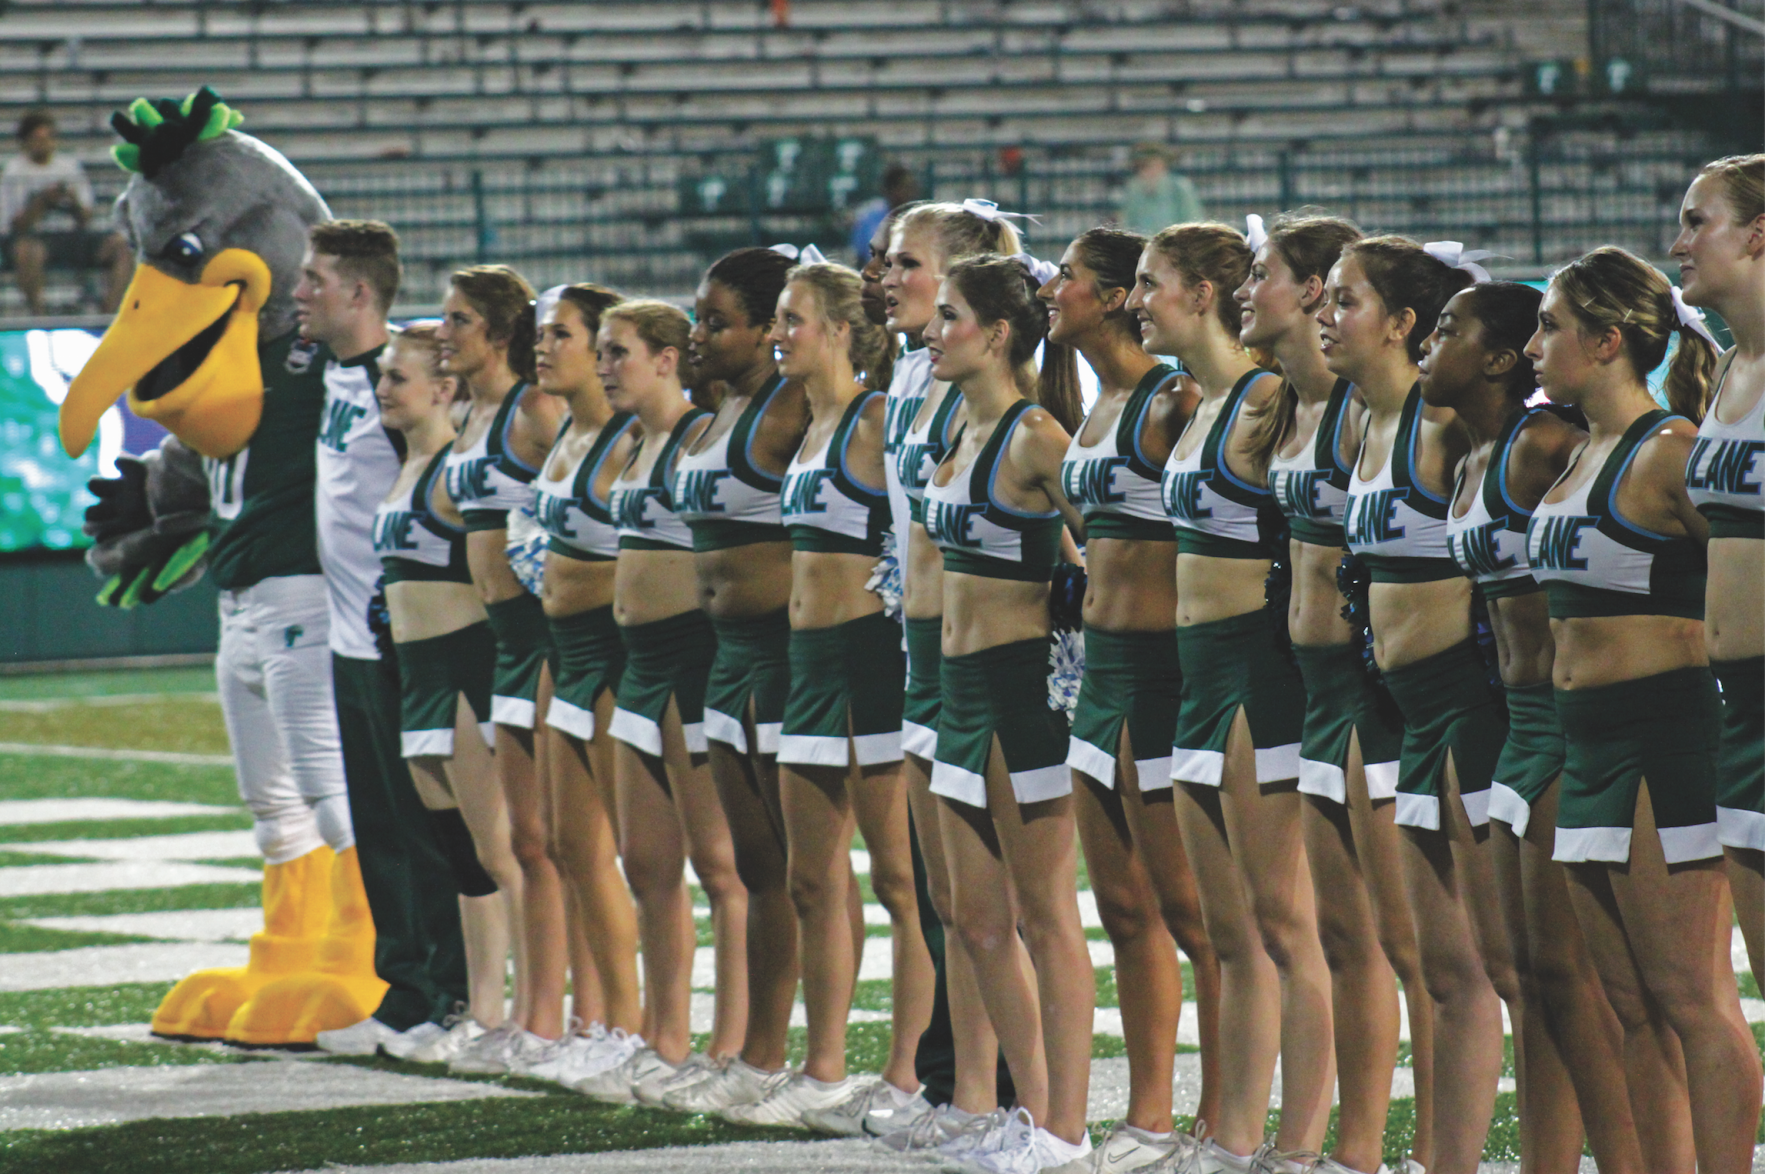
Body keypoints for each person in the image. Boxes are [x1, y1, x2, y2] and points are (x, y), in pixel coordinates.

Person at [1524, 246, 1762, 1173]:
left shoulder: (1669, 451)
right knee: (1626, 1003)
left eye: (1551, 326)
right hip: (1584, 748)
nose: (1536, 343)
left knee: (1689, 998)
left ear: (1607, 339)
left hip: (1666, 739)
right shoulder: (1577, 448)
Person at [1425, 282, 1666, 1172]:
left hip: (1572, 720)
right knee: (1530, 981)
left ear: (1494, 357)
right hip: (1518, 724)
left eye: (1447, 330)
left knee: (1594, 985)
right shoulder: (1469, 455)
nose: (1428, 345)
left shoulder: (1542, 444)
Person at [1240, 212, 1437, 1174]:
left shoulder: (1377, 410)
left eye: (1264, 275)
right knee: (1345, 936)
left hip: (1376, 689)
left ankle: (1422, 1150)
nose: (1249, 291)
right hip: (1313, 688)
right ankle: (1346, 1149)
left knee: (1417, 951)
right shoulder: (1293, 403)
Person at [1136, 223, 1334, 1172]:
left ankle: (1297, 1147)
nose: (1139, 300)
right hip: (1198, 677)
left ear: (1204, 294)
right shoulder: (1205, 401)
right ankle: (1234, 1138)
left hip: (1259, 672)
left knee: (1286, 925)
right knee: (1230, 933)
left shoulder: (1265, 397)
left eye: (1151, 283)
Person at [722, 261, 932, 1127]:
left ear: (843, 331)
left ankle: (910, 1072)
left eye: (792, 319)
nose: (778, 333)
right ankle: (823, 1068)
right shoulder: (811, 423)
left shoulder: (879, 420)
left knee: (897, 878)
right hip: (804, 666)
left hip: (865, 662)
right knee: (811, 881)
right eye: (775, 319)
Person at [1323, 237, 1516, 1174]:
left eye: (1345, 299)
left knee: (1491, 971)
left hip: (1463, 709)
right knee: (1437, 968)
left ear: (1402, 324)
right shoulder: (1364, 425)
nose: (1328, 315)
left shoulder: (1442, 430)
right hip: (1396, 707)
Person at [1041, 226, 1220, 1173]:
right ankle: (1150, 1111)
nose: (1051, 289)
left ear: (1112, 297)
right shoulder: (1095, 400)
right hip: (1098, 676)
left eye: (1067, 278)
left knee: (1195, 916)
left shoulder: (1170, 396)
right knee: (1122, 909)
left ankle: (1222, 1115)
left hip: (1162, 678)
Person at [286, 222, 476, 1061]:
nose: (299, 292)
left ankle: (453, 993)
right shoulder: (332, 375)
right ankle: (404, 993)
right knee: (383, 830)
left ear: (360, 292)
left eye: (313, 279)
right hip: (349, 640)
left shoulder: (401, 380)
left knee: (430, 829)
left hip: (401, 634)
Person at [922, 254, 1094, 1173]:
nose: (927, 330)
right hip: (955, 694)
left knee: (1043, 914)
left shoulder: (1035, 435)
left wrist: (1073, 618)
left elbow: (1103, 548)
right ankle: (1027, 1114)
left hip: (1021, 692)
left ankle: (1067, 1126)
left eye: (946, 316)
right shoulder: (956, 416)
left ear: (994, 333)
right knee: (975, 919)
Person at [873, 200, 1027, 1154]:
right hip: (921, 649)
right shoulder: (908, 371)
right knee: (950, 900)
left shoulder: (986, 386)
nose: (887, 276)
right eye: (886, 261)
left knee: (1003, 906)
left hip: (986, 657)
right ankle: (965, 1093)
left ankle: (1024, 1102)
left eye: (906, 262)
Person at [573, 300, 749, 1102]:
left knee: (720, 866)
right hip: (635, 664)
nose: (605, 365)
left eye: (619, 352)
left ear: (669, 358)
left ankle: (732, 1042)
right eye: (602, 353)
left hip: (688, 661)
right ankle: (663, 1035)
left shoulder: (696, 434)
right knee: (647, 864)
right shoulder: (630, 438)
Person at [658, 248, 815, 1116]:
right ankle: (756, 1051)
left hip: (789, 657)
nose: (698, 332)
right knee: (755, 864)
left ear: (767, 329)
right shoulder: (714, 410)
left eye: (716, 320)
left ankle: (814, 1056)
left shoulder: (798, 403)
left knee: (807, 873)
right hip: (724, 657)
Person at [367, 323, 521, 1063]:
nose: (383, 388)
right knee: (462, 856)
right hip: (417, 673)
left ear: (445, 389)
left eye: (397, 376)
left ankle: (542, 1012)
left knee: (503, 851)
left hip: (466, 669)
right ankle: (484, 1011)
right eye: (382, 377)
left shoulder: (461, 468)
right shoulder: (408, 463)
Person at [437, 265, 569, 1073]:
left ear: (495, 330)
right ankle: (534, 1011)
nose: (442, 331)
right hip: (500, 637)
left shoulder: (533, 407)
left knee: (558, 839)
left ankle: (569, 1015)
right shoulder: (471, 408)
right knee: (523, 840)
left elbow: (589, 488)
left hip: (545, 631)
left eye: (456, 319)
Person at [526, 283, 646, 1085]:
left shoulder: (628, 439)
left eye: (561, 334)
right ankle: (593, 1015)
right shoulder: (563, 427)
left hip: (609, 652)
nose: (545, 347)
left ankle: (630, 1026)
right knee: (569, 846)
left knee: (615, 852)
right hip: (560, 652)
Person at [1673, 154, 1764, 994]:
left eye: (1697, 222)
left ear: (1758, 234)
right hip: (1739, 710)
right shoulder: (1726, 368)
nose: (1678, 244)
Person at [1, 109, 130, 313]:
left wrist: (71, 200)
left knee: (121, 246)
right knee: (27, 251)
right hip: (35, 238)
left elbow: (87, 216)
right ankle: (39, 315)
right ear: (25, 142)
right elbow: (16, 225)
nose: (44, 144)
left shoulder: (69, 167)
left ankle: (109, 312)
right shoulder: (14, 171)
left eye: (48, 138)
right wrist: (42, 201)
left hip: (72, 237)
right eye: (37, 139)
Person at [1116, 144, 1204, 238]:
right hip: (1142, 245)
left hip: (1174, 245)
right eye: (1143, 166)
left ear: (1163, 164)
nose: (1148, 170)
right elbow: (1126, 222)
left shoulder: (1179, 187)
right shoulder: (1133, 188)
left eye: (1152, 164)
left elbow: (1193, 220)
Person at [850, 162, 921, 268]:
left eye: (911, 187)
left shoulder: (920, 219)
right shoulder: (869, 218)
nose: (909, 192)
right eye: (904, 187)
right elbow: (859, 257)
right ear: (889, 189)